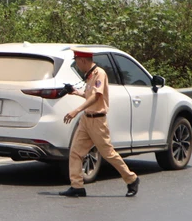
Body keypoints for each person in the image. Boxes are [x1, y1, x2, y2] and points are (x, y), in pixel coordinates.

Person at [59, 48, 140, 198]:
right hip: (86, 119)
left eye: (77, 62)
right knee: (76, 152)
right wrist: (76, 92)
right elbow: (89, 95)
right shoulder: (89, 76)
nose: (77, 65)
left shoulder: (99, 74)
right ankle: (77, 187)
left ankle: (132, 179)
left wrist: (75, 110)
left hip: (97, 120)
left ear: (83, 60)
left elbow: (97, 96)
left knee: (108, 153)